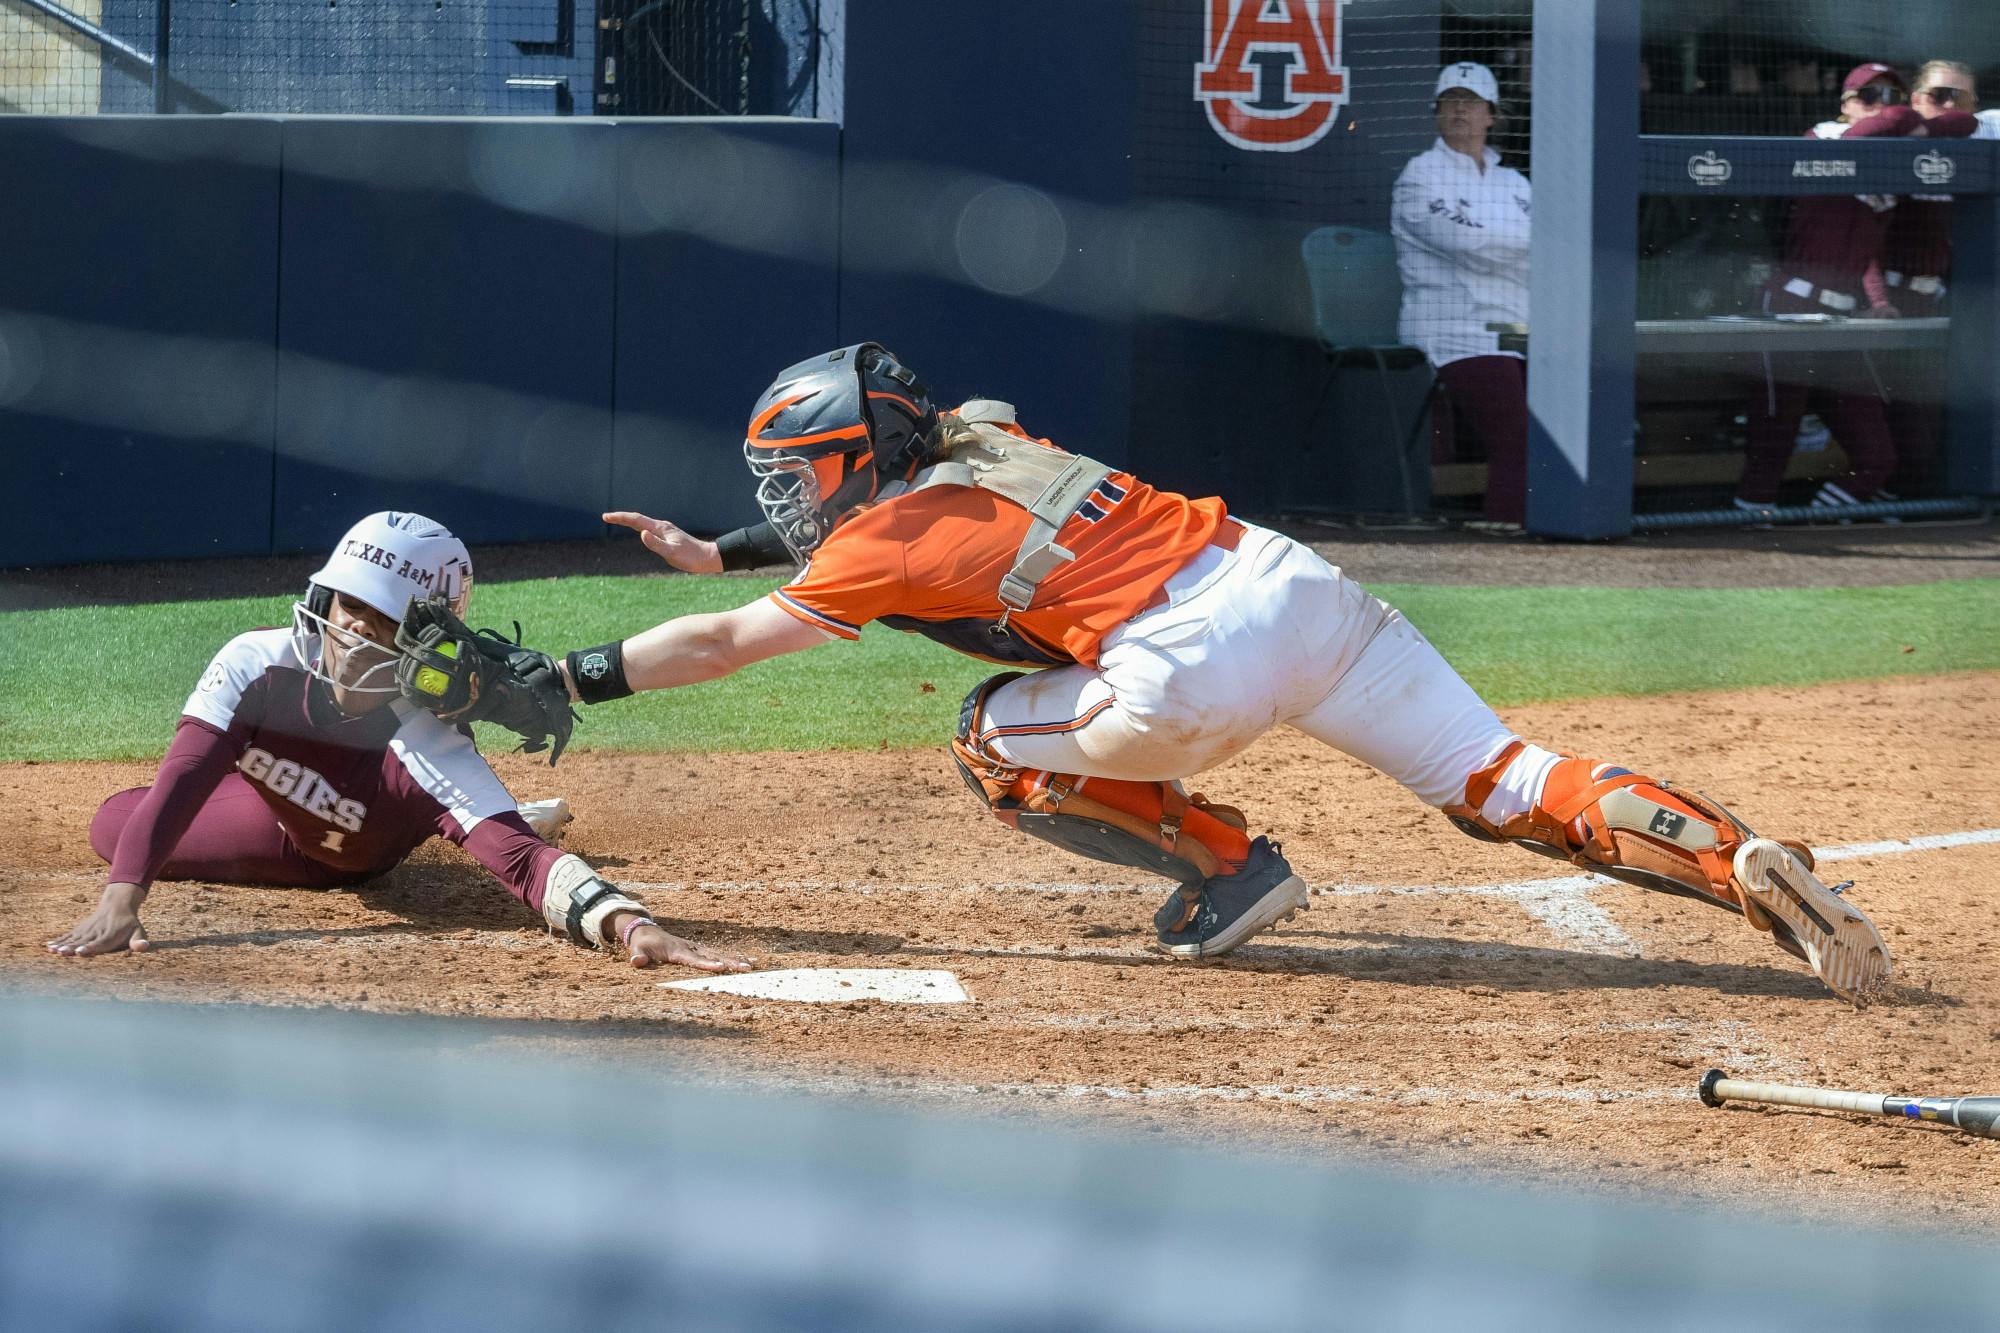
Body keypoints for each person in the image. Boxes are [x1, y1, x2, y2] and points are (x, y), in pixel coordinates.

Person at [523, 344, 1891, 1001]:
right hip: (1292, 581)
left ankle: (1234, 869)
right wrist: (731, 544)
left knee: (990, 740)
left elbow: (722, 644)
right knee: (1505, 778)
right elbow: (881, 507)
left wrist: (578, 675)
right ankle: (1737, 857)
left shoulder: (885, 535)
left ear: (852, 461)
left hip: (1187, 665)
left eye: (796, 477)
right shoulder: (986, 431)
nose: (787, 498)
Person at [47, 509, 748, 974]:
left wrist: (628, 925)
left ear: (428, 640)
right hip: (276, 813)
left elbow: (531, 867)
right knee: (117, 823)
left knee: (468, 830)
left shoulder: (428, 741)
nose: (356, 634)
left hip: (348, 853)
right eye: (351, 606)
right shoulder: (255, 664)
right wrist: (121, 902)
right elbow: (183, 778)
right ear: (324, 601)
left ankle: (467, 813)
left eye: (385, 622)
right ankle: (477, 810)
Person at [1733, 63, 1927, 516]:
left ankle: (1821, 525)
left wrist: (1878, 301)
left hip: (1840, 319)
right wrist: (1907, 115)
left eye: (1890, 95)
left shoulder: (1889, 164)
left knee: (1878, 455)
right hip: (1789, 305)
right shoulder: (1823, 137)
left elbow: (1869, 253)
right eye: (1869, 95)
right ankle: (1743, 534)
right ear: (1843, 105)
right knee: (1773, 442)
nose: (1882, 106)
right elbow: (1885, 126)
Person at [1390, 62, 1532, 528]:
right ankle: (1506, 536)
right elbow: (1463, 244)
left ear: (1491, 115)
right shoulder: (1420, 174)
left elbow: (1547, 249)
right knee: (1517, 437)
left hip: (1520, 328)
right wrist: (1511, 244)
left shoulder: (1514, 184)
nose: (1458, 110)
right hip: (1453, 330)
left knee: (1571, 420)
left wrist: (1494, 244)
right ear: (1436, 112)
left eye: (1470, 102)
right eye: (1449, 101)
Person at [1872, 61, 1981, 495]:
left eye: (1960, 96)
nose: (1949, 105)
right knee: (1882, 414)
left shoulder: (1977, 142)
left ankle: (1906, 502)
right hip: (1882, 302)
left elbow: (1968, 122)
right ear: (1915, 99)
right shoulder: (1890, 136)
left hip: (1934, 300)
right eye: (1938, 95)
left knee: (1925, 419)